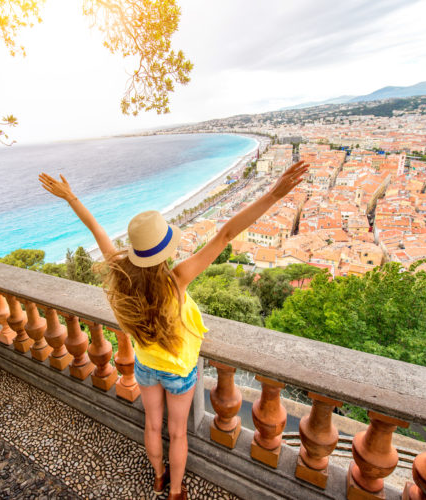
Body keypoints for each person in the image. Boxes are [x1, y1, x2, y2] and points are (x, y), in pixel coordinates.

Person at [39, 160, 308, 499]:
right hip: (179, 370)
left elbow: (97, 231)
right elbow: (226, 234)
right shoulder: (177, 280)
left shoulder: (121, 278)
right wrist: (273, 194)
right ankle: (176, 491)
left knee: (152, 425)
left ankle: (157, 477)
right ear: (164, 249)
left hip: (145, 366)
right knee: (177, 433)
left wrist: (71, 198)